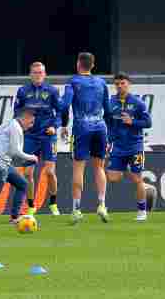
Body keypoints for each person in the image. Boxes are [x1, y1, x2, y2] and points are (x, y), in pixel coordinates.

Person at [58, 52, 109, 223]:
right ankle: (102, 205)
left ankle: (76, 209)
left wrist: (64, 124)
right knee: (99, 167)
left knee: (78, 168)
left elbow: (65, 105)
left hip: (82, 127)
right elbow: (108, 110)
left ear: (78, 64)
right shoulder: (102, 82)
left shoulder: (73, 82)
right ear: (92, 65)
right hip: (100, 127)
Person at [14, 61, 65, 216]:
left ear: (45, 74)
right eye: (35, 73)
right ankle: (31, 205)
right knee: (28, 174)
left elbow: (60, 112)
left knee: (49, 172)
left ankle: (53, 203)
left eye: (41, 72)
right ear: (30, 74)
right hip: (30, 136)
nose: (38, 75)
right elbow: (16, 112)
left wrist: (54, 126)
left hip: (48, 136)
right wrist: (21, 125)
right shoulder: (23, 91)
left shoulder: (52, 90)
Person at [105, 72, 157, 221]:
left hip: (135, 146)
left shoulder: (138, 103)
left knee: (137, 179)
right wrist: (108, 140)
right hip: (118, 146)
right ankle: (146, 186)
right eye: (117, 84)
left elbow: (148, 123)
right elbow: (108, 123)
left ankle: (142, 211)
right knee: (112, 177)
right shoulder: (110, 103)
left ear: (128, 84)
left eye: (123, 83)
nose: (120, 86)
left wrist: (132, 122)